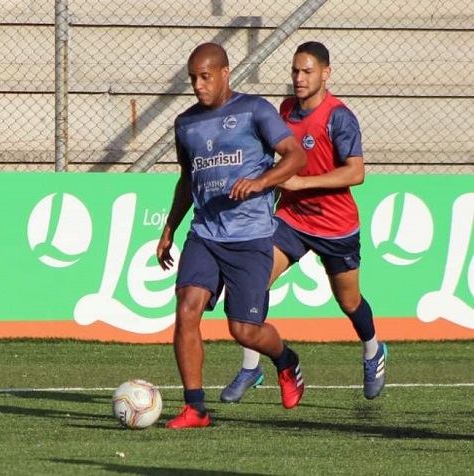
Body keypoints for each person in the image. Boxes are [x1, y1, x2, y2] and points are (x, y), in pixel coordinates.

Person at [220, 41, 388, 405]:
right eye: (295, 70)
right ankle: (252, 365)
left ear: (325, 73)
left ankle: (373, 350)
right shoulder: (285, 110)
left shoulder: (339, 116)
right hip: (291, 218)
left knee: (349, 301)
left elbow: (356, 172)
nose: (299, 78)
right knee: (254, 281)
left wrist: (301, 182)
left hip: (335, 225)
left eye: (307, 71)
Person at [157, 42, 307, 429]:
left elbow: (295, 156)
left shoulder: (255, 110)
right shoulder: (186, 124)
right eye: (192, 78)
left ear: (225, 73)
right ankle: (195, 408)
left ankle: (286, 360)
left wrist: (261, 182)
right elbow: (187, 181)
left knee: (244, 330)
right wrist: (169, 229)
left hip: (251, 237)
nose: (198, 85)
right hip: (205, 233)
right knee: (186, 309)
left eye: (205, 77)